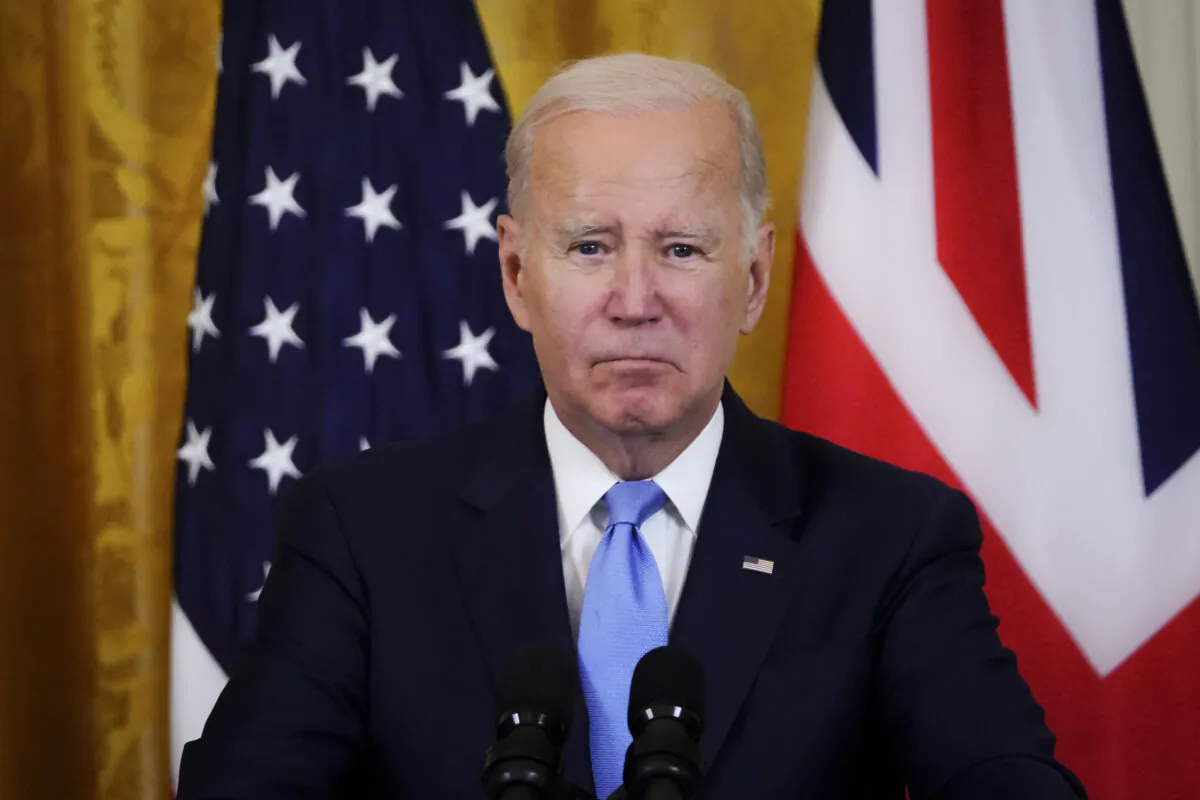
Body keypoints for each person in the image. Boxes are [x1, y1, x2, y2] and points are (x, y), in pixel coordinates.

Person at [177, 53, 1086, 799]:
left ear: (756, 279)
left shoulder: (890, 538)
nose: (635, 300)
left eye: (682, 249)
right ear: (516, 273)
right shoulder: (362, 531)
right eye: (590, 246)